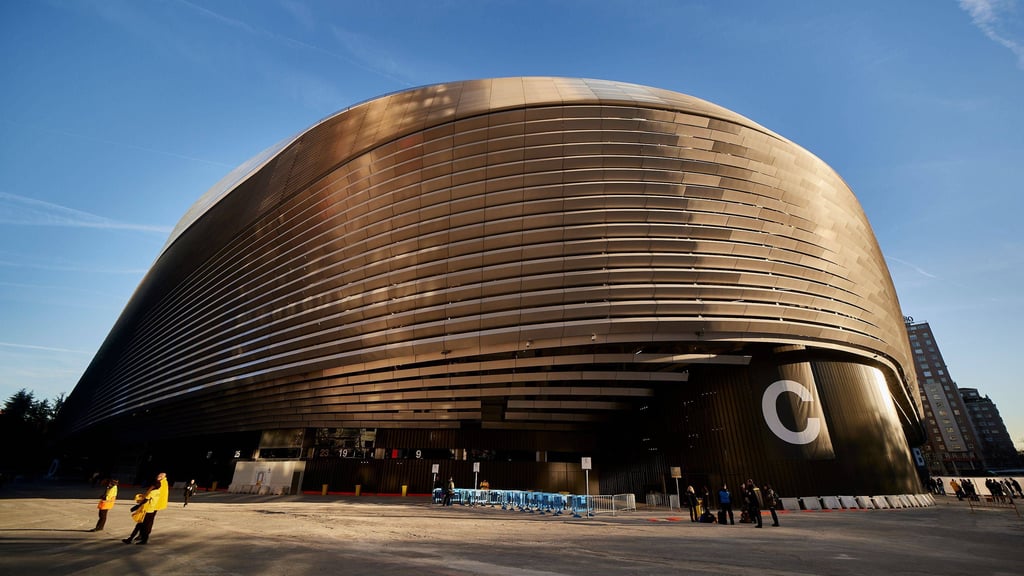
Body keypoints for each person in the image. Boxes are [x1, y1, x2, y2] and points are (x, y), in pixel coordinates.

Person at [135, 472, 168, 544]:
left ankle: (143, 536)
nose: (158, 477)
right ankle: (142, 535)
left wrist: (143, 499)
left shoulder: (162, 483)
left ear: (163, 477)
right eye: (158, 475)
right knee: (146, 521)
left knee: (146, 521)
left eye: (160, 476)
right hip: (153, 505)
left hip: (153, 506)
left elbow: (153, 494)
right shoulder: (161, 482)